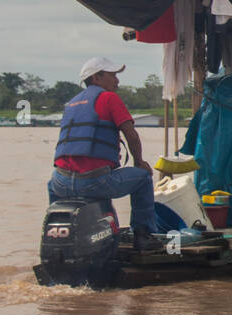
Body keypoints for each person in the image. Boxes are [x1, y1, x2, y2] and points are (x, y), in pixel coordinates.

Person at [49, 57, 162, 251]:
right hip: (93, 182)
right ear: (96, 78)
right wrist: (139, 161)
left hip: (62, 184)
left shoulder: (72, 103)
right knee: (142, 177)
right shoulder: (108, 98)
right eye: (112, 75)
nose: (117, 81)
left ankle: (57, 228)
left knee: (51, 184)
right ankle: (143, 235)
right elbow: (131, 134)